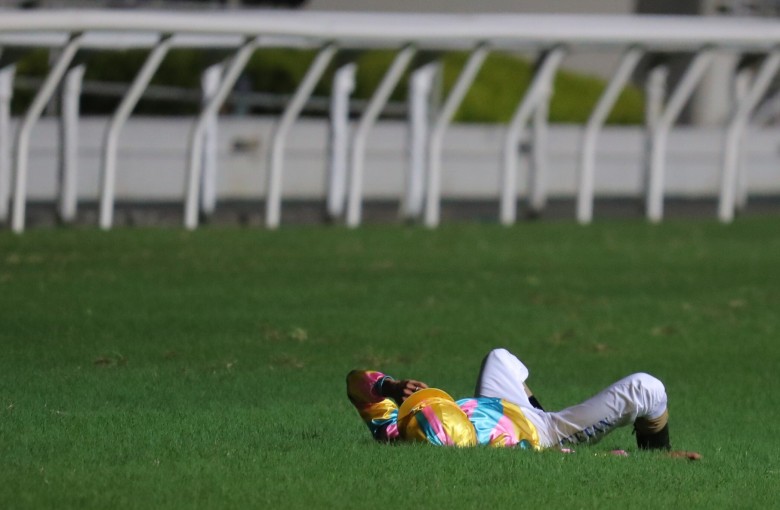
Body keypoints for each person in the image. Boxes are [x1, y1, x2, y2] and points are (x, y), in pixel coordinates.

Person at [346, 347, 701, 459]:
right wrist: (606, 460)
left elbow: (356, 383)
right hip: (542, 432)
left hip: (496, 404)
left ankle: (536, 405)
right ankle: (657, 455)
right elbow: (550, 462)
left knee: (499, 357)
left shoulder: (393, 431)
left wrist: (390, 387)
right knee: (647, 388)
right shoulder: (497, 449)